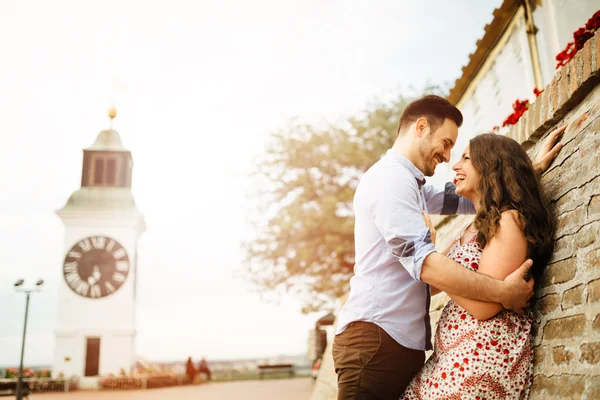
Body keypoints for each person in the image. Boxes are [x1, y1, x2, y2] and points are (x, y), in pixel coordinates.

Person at [332, 95, 564, 400]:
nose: (448, 154)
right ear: (421, 127)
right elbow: (425, 265)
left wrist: (524, 172)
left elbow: (473, 194)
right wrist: (502, 293)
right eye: (445, 142)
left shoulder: (410, 184)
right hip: (376, 341)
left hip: (392, 343)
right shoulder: (391, 181)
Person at [402, 133, 555, 399]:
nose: (455, 165)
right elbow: (430, 283)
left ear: (490, 166)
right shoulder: (472, 226)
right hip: (453, 359)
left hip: (481, 357)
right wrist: (433, 261)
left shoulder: (508, 220)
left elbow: (485, 308)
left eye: (466, 158)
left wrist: (436, 265)